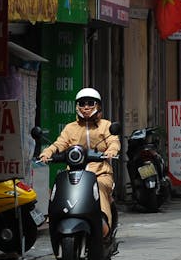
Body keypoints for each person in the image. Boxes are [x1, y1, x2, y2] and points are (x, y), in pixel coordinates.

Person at [39, 87, 120, 240]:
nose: (86, 107)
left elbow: (113, 141)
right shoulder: (70, 128)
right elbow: (59, 144)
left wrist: (111, 151)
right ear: (77, 106)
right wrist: (47, 152)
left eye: (90, 103)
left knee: (99, 188)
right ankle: (56, 219)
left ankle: (102, 221)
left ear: (98, 105)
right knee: (60, 187)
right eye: (82, 104)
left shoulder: (105, 126)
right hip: (75, 174)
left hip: (100, 173)